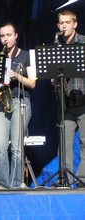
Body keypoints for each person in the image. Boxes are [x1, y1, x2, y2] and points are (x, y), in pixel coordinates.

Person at [0, 22, 36, 188]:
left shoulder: (25, 56)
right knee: (1, 147)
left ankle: (17, 183)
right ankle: (3, 184)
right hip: (3, 103)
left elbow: (32, 83)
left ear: (15, 36)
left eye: (8, 35)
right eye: (2, 36)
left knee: (17, 147)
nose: (5, 39)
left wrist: (16, 75)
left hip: (20, 101)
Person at [53, 10, 85, 187]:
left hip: (83, 98)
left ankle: (83, 179)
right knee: (64, 143)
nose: (63, 26)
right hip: (65, 102)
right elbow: (51, 75)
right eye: (61, 23)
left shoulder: (83, 43)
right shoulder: (58, 45)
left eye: (67, 22)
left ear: (75, 24)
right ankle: (64, 179)